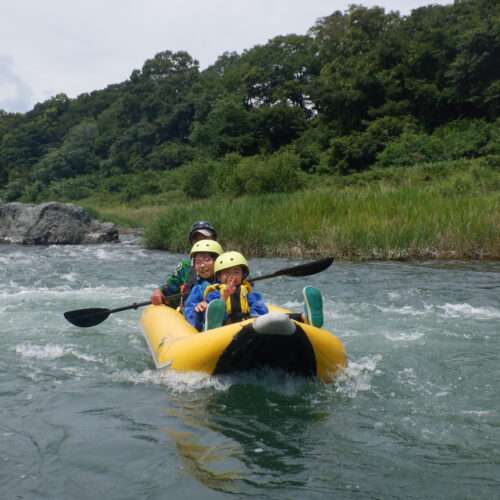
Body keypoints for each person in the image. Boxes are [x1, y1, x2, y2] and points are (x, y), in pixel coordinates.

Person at [197, 251, 324, 331]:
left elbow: (260, 309)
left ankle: (306, 317)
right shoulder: (214, 293)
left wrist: (255, 318)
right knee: (216, 312)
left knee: (276, 317)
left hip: (247, 325)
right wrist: (224, 297)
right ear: (219, 277)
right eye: (227, 273)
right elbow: (211, 312)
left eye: (236, 272)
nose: (232, 276)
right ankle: (213, 329)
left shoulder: (247, 291)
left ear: (243, 275)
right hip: (223, 329)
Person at [151, 221, 217, 309]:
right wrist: (158, 290)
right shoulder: (186, 266)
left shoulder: (227, 262)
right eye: (197, 240)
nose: (202, 243)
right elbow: (169, 286)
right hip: (189, 313)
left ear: (214, 240)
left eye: (205, 239)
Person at [182, 239, 224, 330]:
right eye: (198, 262)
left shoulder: (235, 281)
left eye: (207, 260)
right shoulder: (198, 289)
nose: (202, 265)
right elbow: (189, 311)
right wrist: (197, 309)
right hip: (209, 331)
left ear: (218, 261)